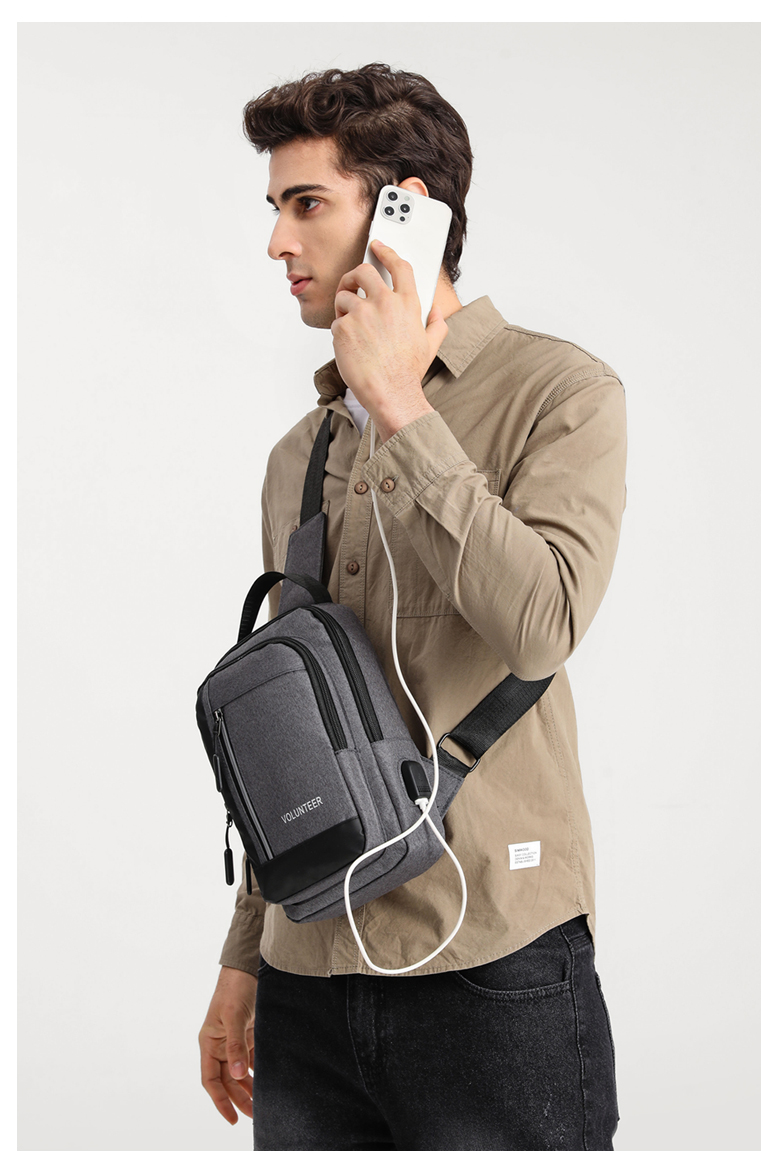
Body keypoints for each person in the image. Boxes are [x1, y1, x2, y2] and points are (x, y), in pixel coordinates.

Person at [198, 62, 627, 1152]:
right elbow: (293, 729)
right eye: (275, 208)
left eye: (307, 204)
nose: (278, 242)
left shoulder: (560, 394)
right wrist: (243, 957)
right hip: (307, 976)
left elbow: (543, 623)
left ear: (406, 213)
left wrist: (398, 405)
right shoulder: (297, 456)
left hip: (492, 963)